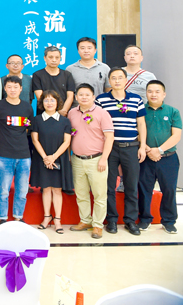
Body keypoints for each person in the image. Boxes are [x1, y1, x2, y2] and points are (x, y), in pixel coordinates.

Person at [96, 68, 146, 236]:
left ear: (125, 80)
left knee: (131, 185)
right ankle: (111, 220)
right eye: (113, 78)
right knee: (108, 185)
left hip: (131, 147)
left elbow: (141, 124)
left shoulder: (136, 99)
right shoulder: (101, 100)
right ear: (109, 81)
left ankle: (130, 220)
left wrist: (142, 146)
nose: (117, 81)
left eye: (120, 78)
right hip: (110, 148)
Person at [68, 84, 114, 239]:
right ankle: (85, 220)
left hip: (97, 160)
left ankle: (98, 225)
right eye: (81, 94)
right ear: (76, 97)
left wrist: (104, 158)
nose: (84, 97)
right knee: (81, 193)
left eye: (87, 95)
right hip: (77, 159)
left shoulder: (102, 113)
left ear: (93, 97)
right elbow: (69, 136)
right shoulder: (72, 113)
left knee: (99, 194)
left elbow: (109, 137)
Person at [138, 80, 182, 234]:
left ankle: (169, 221)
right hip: (146, 157)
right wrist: (148, 149)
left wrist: (160, 150)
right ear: (146, 93)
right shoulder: (141, 111)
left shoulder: (173, 111)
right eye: (150, 91)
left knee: (169, 190)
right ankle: (145, 219)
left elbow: (176, 135)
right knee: (144, 190)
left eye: (157, 91)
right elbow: (137, 132)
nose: (153, 94)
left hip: (169, 158)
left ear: (164, 94)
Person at [0, 76, 34, 224]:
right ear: (5, 89)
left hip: (24, 155)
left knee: (22, 190)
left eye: (16, 87)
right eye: (9, 87)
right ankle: (2, 218)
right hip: (4, 155)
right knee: (3, 190)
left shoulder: (27, 107)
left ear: (21, 89)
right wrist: (2, 140)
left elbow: (27, 129)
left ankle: (18, 217)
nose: (12, 90)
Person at [31, 90, 73, 234]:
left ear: (57, 102)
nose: (49, 103)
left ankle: (58, 220)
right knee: (46, 188)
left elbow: (67, 142)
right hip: (41, 157)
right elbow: (35, 140)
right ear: (42, 103)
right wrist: (45, 158)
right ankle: (46, 217)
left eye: (52, 100)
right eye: (46, 100)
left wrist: (53, 157)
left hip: (58, 158)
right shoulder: (37, 120)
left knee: (57, 189)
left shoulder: (65, 121)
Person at [31, 46, 75, 115]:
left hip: (63, 115)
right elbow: (40, 97)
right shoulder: (37, 75)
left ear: (60, 58)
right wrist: (52, 112)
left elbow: (70, 96)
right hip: (44, 114)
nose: (54, 60)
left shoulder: (67, 75)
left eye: (57, 57)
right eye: (50, 57)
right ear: (45, 58)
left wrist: (64, 110)